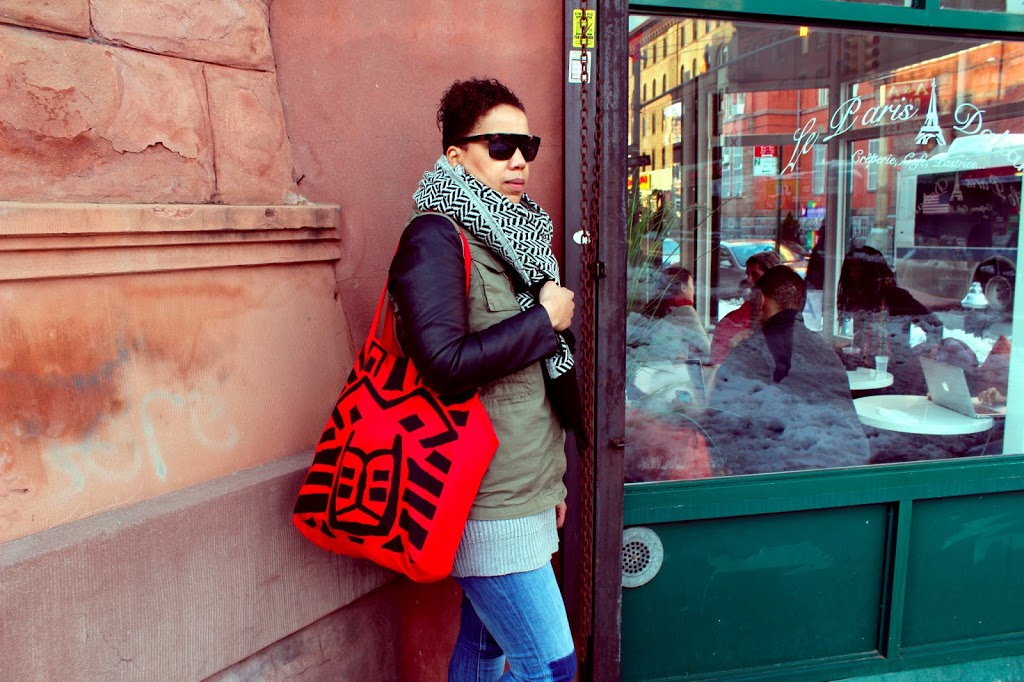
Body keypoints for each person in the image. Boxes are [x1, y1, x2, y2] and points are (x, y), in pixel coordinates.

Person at [388, 78, 577, 681]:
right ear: (456, 155)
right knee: (551, 668)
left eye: (527, 145)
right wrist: (543, 321)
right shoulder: (435, 237)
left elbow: (532, 390)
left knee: (486, 649)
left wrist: (551, 486)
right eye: (499, 145)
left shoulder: (521, 238)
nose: (518, 159)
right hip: (482, 498)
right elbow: (443, 365)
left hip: (523, 486)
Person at [702, 266, 870, 475]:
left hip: (779, 474)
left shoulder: (752, 351)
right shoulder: (824, 350)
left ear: (761, 300)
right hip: (843, 466)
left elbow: (720, 425)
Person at [836, 246, 943, 393]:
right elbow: (867, 336)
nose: (853, 274)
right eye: (850, 269)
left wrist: (929, 351)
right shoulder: (856, 297)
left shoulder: (894, 296)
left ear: (871, 272)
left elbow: (934, 325)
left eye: (858, 269)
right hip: (863, 370)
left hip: (891, 372)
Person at [710, 250, 781, 365]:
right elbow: (718, 363)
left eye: (755, 275)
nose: (749, 280)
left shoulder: (783, 318)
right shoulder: (732, 321)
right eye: (748, 275)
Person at [639, 265, 711, 361]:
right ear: (683, 287)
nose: (693, 289)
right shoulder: (684, 310)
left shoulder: (651, 308)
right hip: (670, 368)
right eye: (691, 284)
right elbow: (707, 351)